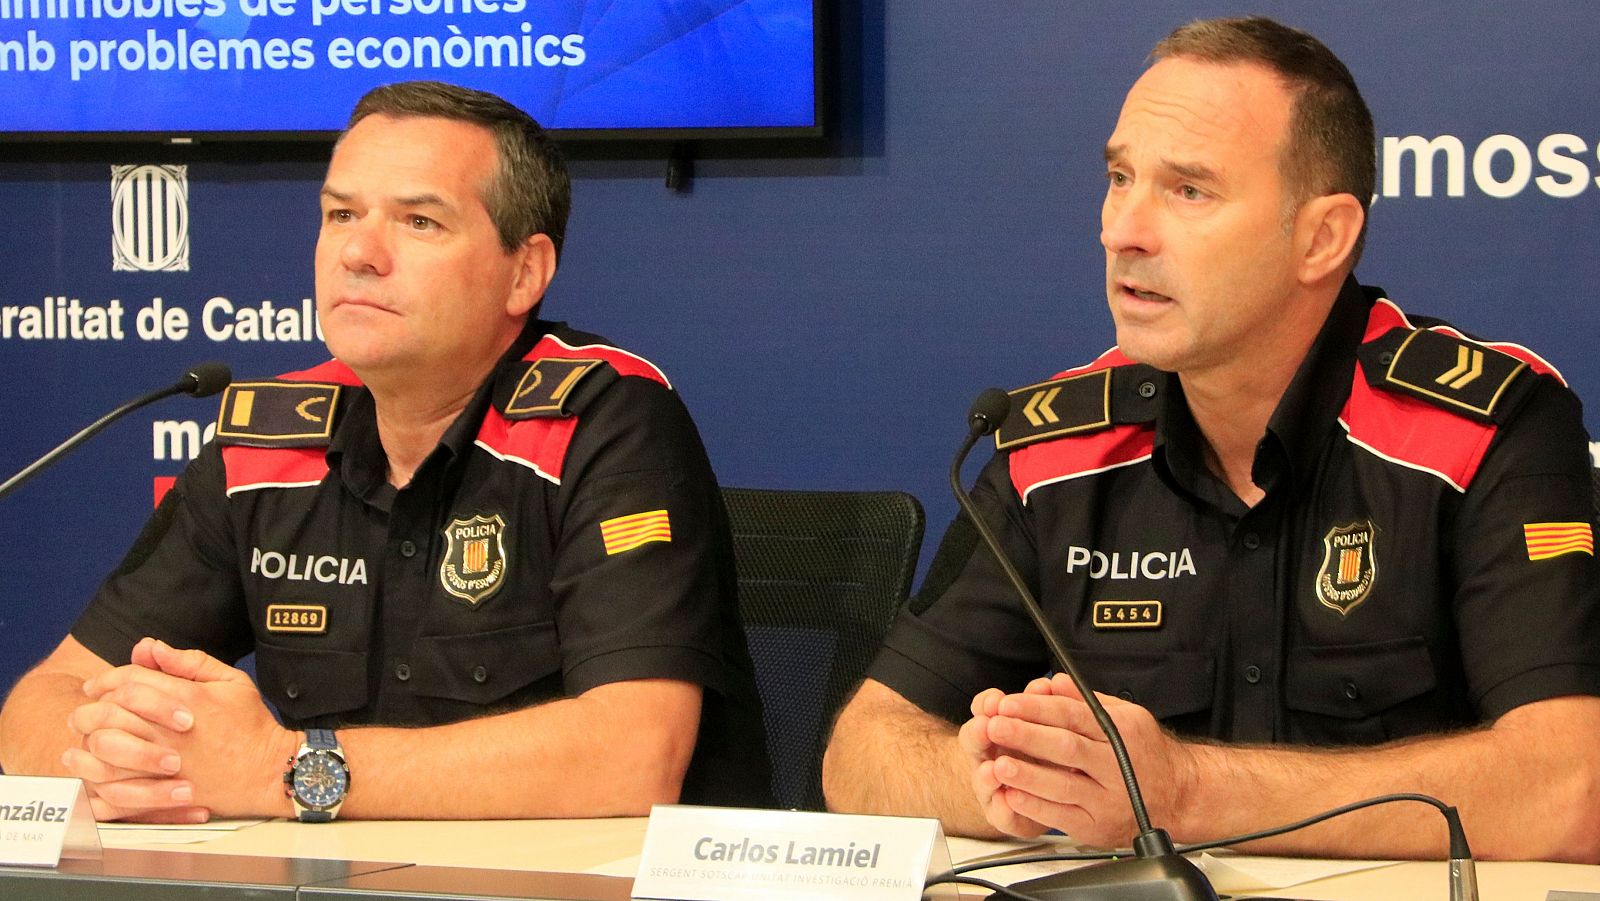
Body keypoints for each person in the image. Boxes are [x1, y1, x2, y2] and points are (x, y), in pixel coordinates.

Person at [823, 16, 1600, 861]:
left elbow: (1571, 789)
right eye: (1120, 178)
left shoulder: (1481, 431)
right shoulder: (1055, 448)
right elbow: (860, 755)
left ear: (1321, 237)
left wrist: (1185, 793)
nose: (1123, 230)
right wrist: (1000, 783)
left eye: (1188, 191)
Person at [0, 80, 771, 822]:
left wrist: (286, 769)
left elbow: (634, 753)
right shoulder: (268, 441)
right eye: (340, 214)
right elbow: (44, 699)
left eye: (418, 222)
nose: (359, 252)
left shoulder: (604, 418)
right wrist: (120, 764)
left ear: (525, 271)